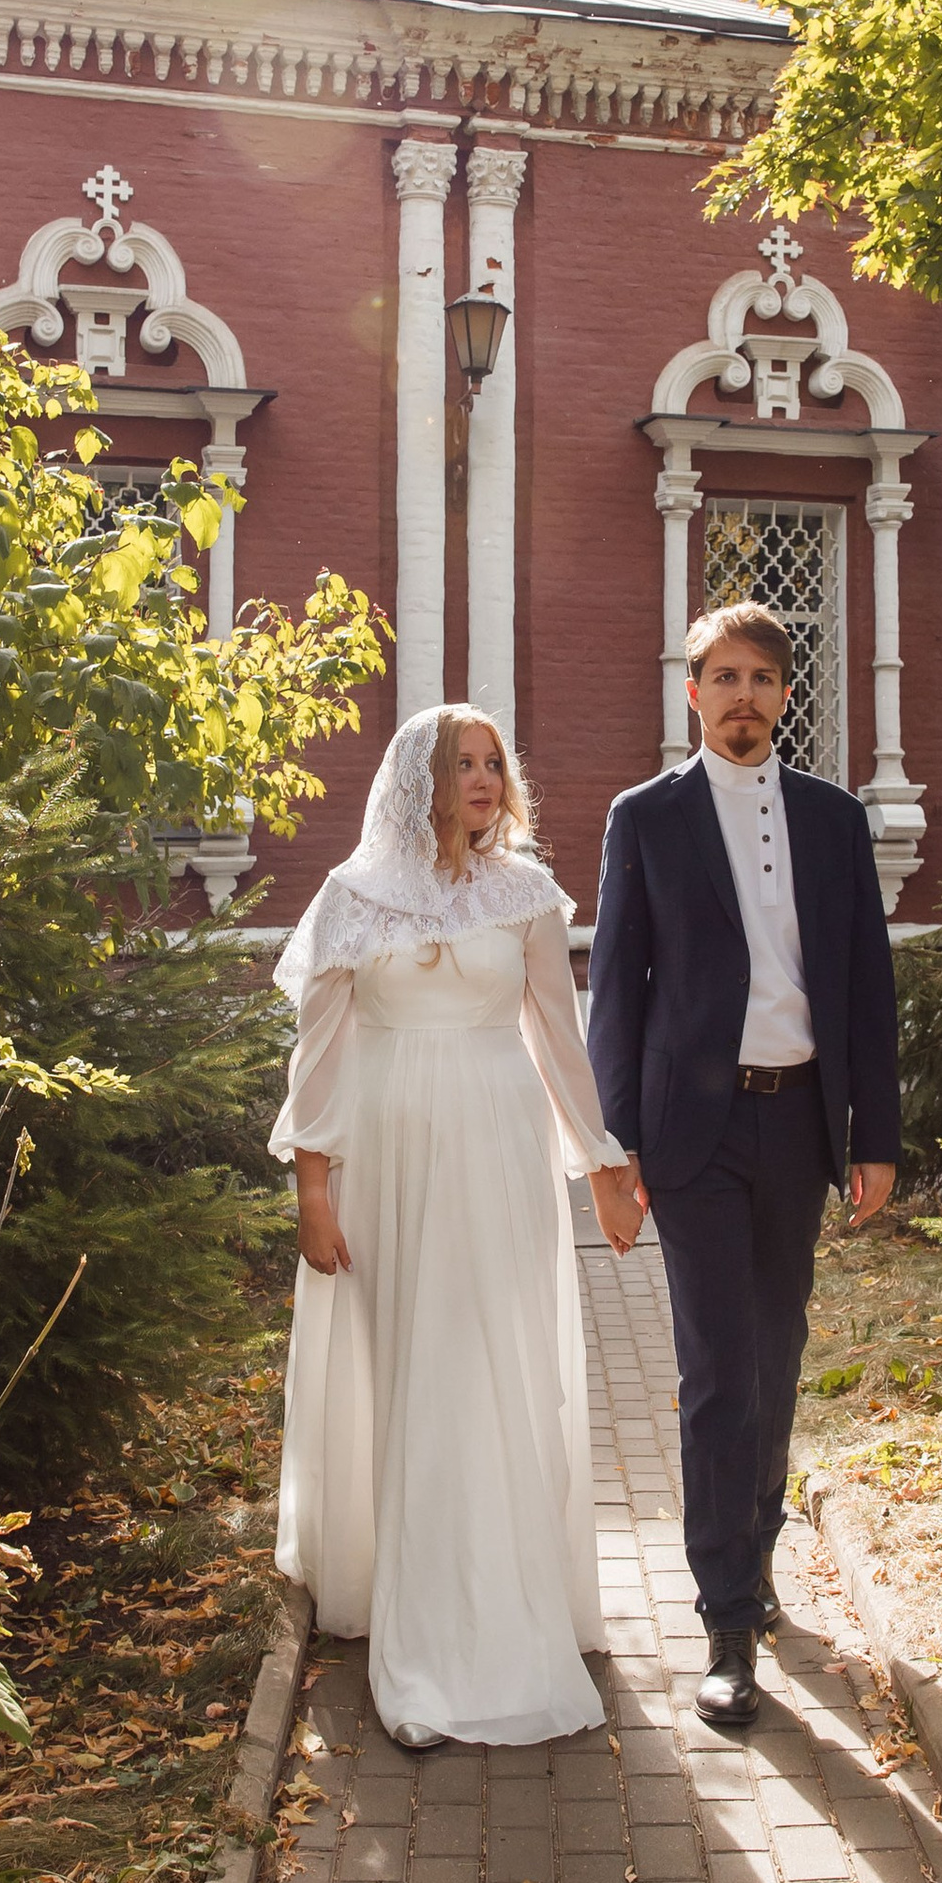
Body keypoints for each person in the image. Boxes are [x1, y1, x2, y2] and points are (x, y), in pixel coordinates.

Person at [270, 705, 641, 1751]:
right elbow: (321, 1055)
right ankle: (422, 1643)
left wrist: (605, 1166)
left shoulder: (527, 895)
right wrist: (311, 1191)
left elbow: (560, 1044)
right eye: (459, 763)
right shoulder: (352, 898)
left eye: (493, 763)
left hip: (498, 1154)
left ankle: (508, 1613)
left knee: (494, 1369)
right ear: (416, 778)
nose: (482, 779)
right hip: (387, 1159)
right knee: (416, 1377)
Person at [588, 603, 902, 1729]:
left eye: (761, 678)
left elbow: (868, 984)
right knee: (718, 1366)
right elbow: (616, 990)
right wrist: (608, 1150)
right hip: (694, 1136)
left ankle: (757, 1556)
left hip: (800, 1123)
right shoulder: (648, 818)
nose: (742, 697)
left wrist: (874, 1137)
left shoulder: (830, 820)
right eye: (722, 677)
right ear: (691, 692)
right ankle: (725, 1616)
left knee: (775, 1355)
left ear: (783, 694)